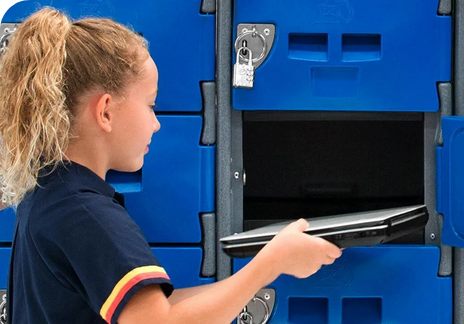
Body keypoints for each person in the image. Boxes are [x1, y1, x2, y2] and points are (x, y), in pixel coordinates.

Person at [0, 7, 342, 324]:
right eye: (151, 106)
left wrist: (267, 260)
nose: (156, 123)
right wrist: (270, 266)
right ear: (105, 111)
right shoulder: (85, 213)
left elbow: (156, 311)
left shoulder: (51, 192)